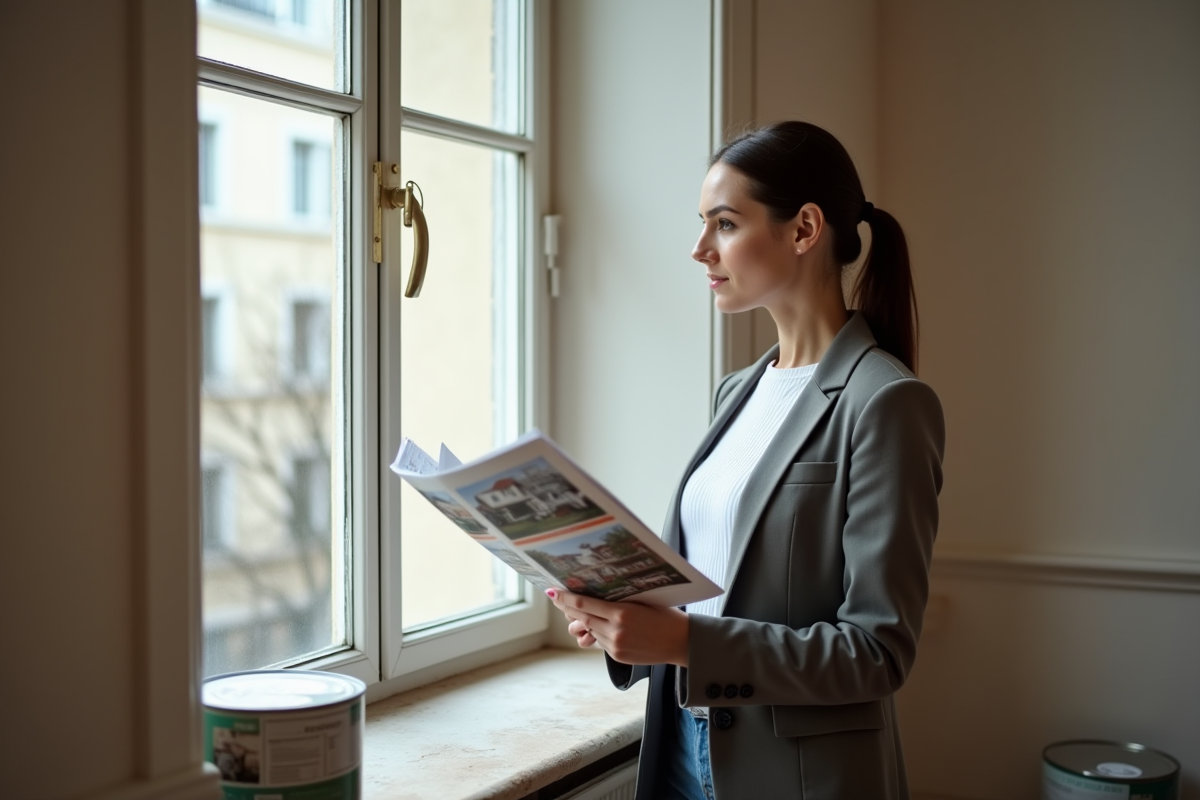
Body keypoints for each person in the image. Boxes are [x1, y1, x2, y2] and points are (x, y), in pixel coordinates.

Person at [548, 120, 945, 800]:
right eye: (703, 224)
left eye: (724, 224)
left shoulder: (887, 402)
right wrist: (625, 618)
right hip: (679, 741)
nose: (700, 248)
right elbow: (726, 585)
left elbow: (876, 654)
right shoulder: (738, 391)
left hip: (794, 777)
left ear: (803, 229)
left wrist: (684, 643)